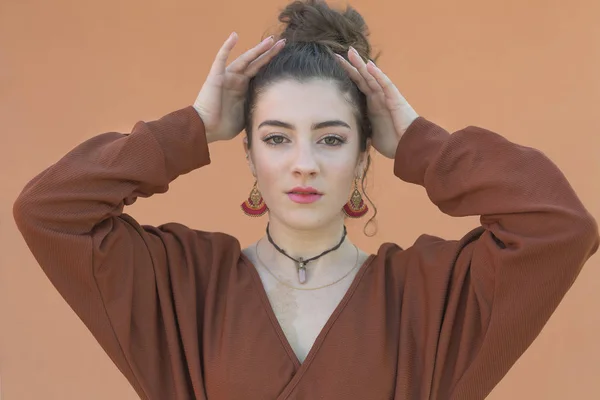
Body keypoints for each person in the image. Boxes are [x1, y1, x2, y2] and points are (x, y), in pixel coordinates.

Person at [13, 0, 599, 399]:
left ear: (366, 155)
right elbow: (49, 210)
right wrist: (191, 126)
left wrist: (425, 144)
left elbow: (560, 228)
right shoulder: (186, 285)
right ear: (247, 153)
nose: (304, 162)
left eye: (332, 138)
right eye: (276, 137)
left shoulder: (428, 296)